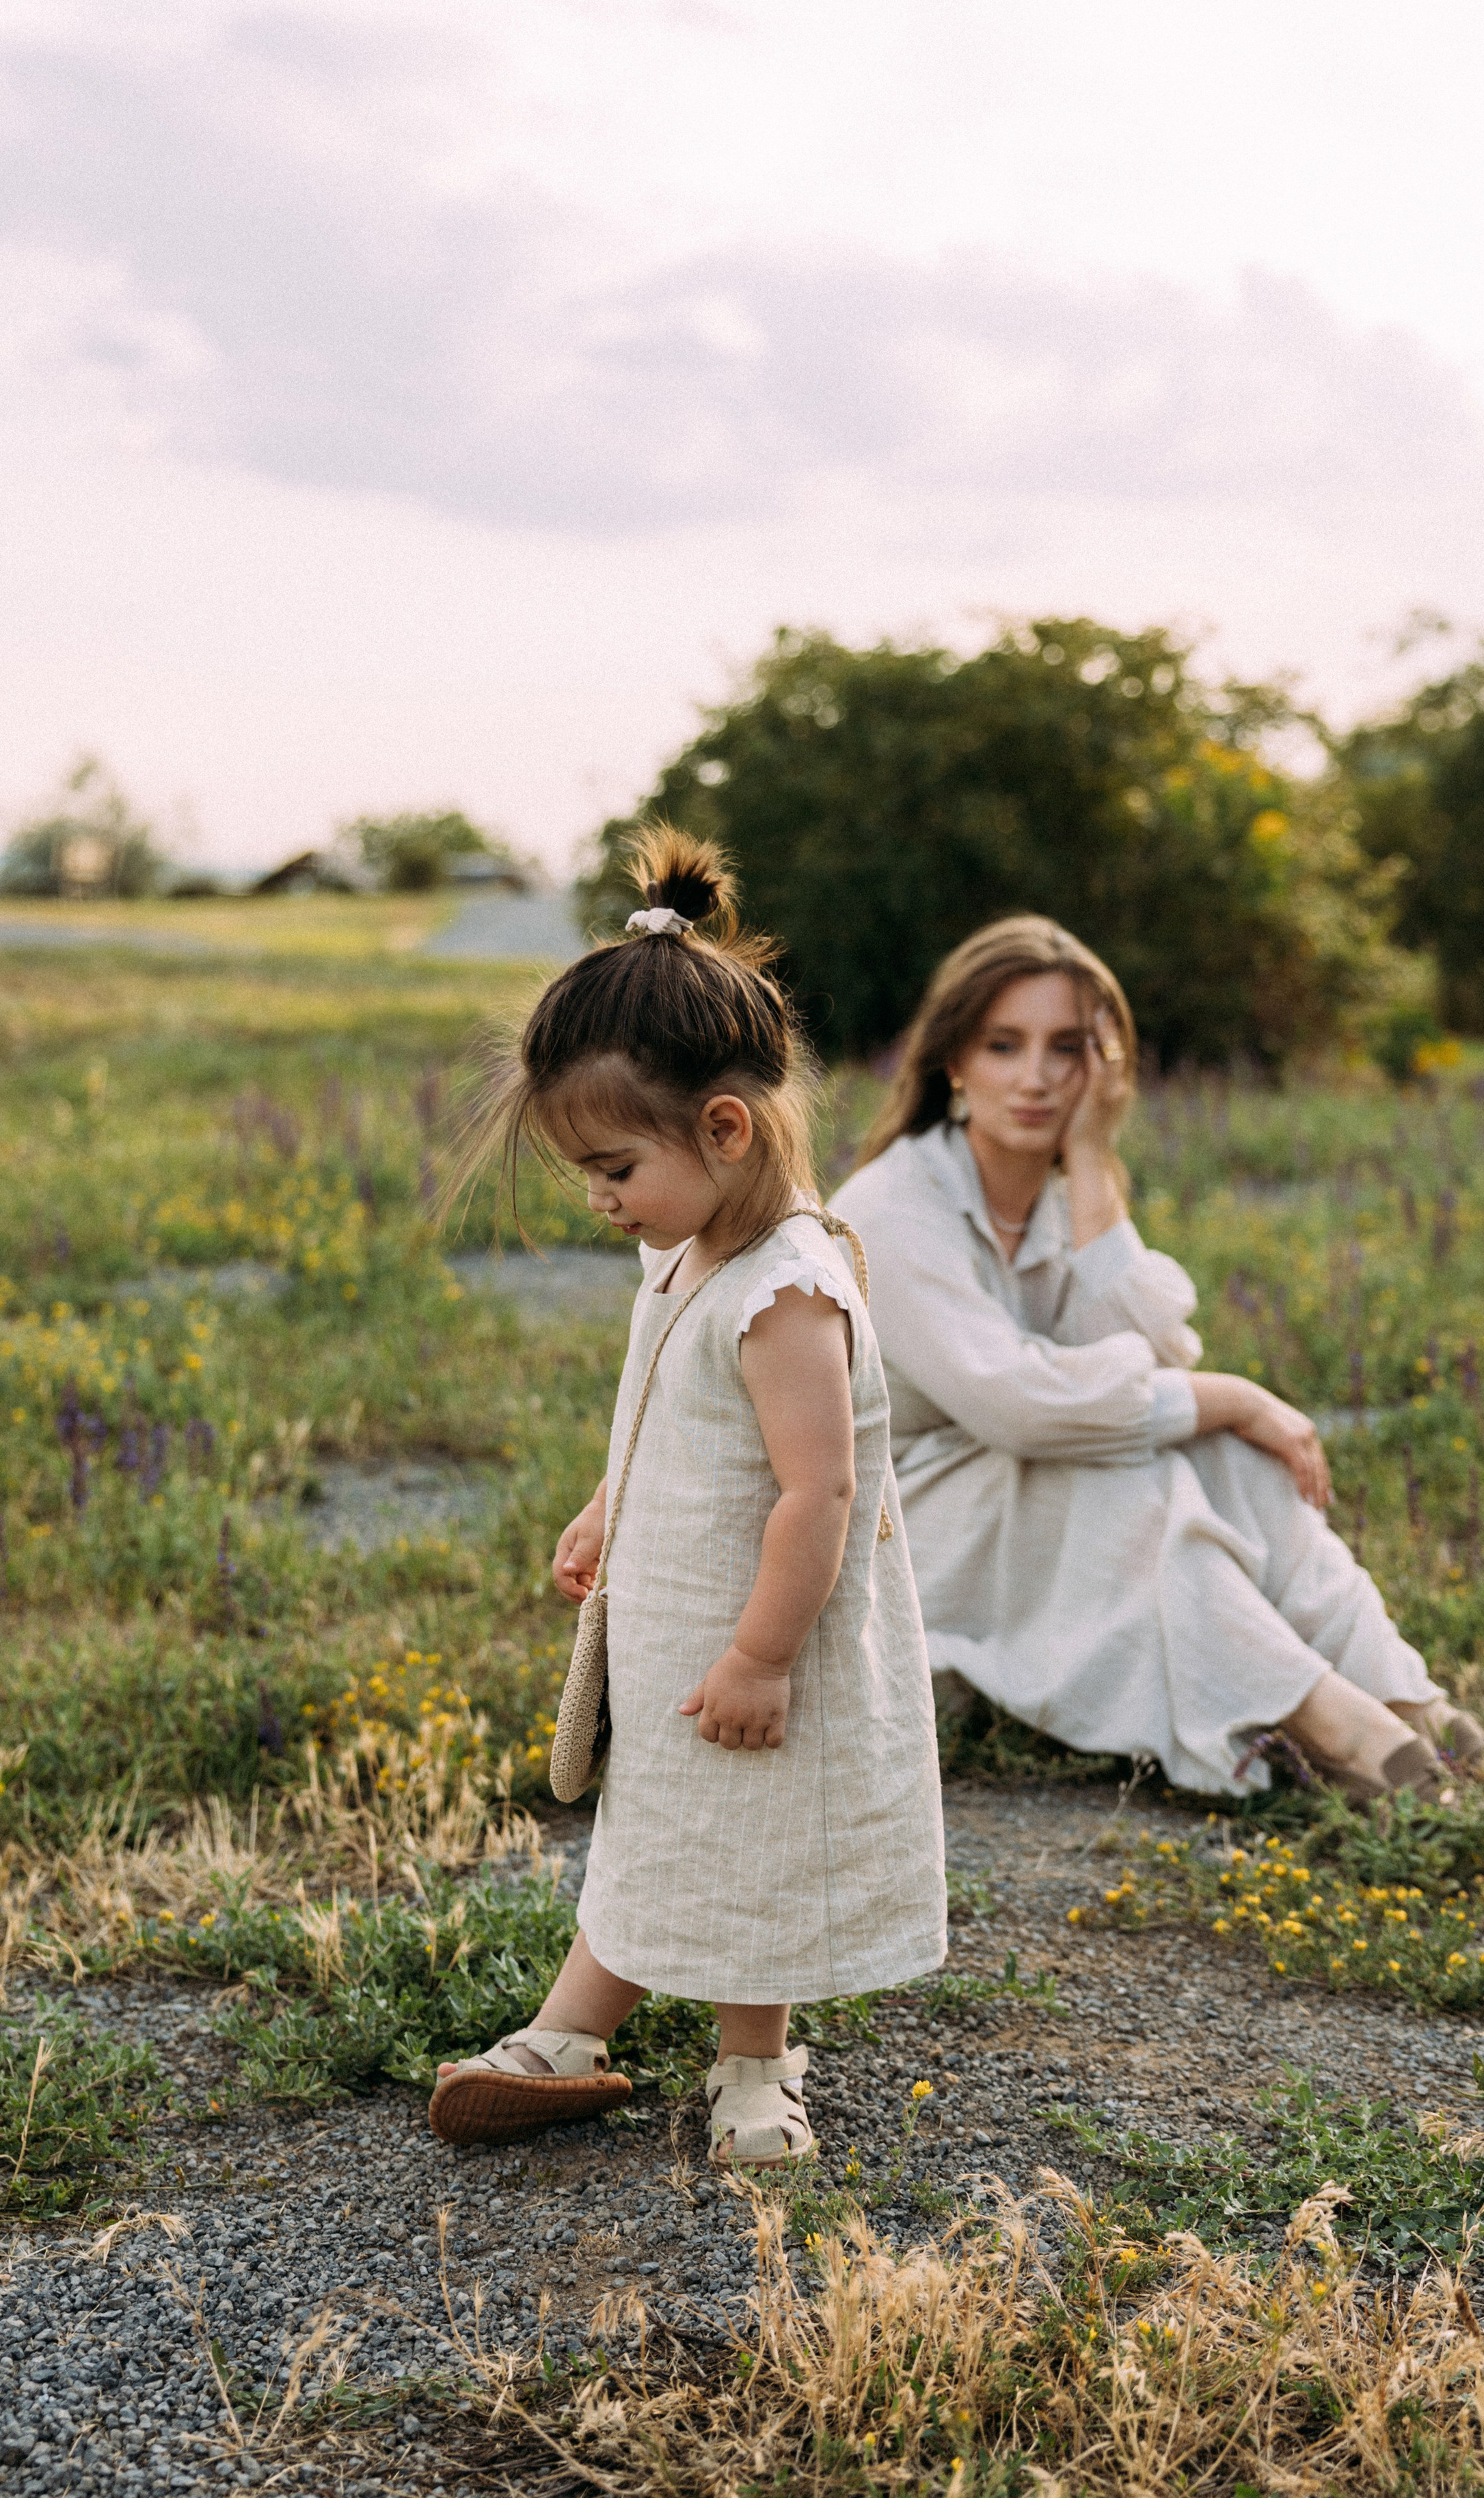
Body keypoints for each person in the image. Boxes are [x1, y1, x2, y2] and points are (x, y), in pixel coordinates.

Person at [430, 831, 945, 2164]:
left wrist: (763, 1655)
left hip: (758, 1628)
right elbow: (659, 1401)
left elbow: (818, 1488)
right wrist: (610, 1503)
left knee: (749, 1840)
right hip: (677, 1618)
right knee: (661, 1820)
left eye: (612, 1168)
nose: (599, 1200)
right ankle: (569, 2030)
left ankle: (753, 2062)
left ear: (722, 1129)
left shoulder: (785, 1288)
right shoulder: (685, 1248)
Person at [832, 915, 1484, 1806]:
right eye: (1003, 1045)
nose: (1034, 1077)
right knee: (1127, 1472)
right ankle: (1340, 1727)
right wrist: (1227, 1393)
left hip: (1012, 1509)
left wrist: (1095, 1158)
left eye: (1066, 1049)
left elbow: (1141, 1360)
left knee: (1224, 1451)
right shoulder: (892, 1206)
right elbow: (1015, 1403)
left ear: (1103, 1069)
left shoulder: (1060, 1193)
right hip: (894, 1534)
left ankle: (1426, 1715)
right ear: (955, 1059)